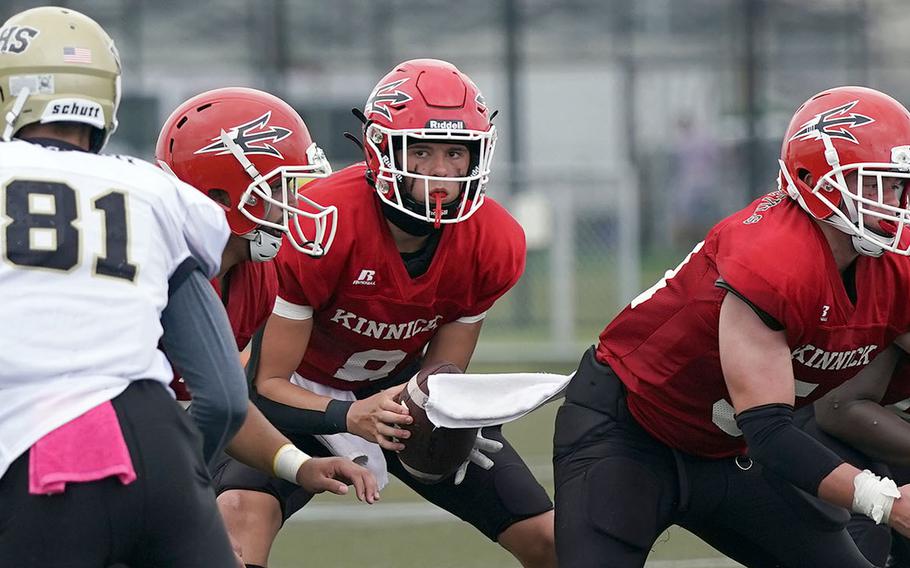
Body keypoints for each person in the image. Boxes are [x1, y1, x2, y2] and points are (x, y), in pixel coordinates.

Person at [213, 59, 556, 568]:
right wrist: (348, 415)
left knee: (553, 541)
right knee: (238, 521)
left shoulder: (493, 241)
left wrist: (441, 414)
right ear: (382, 149)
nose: (440, 172)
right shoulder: (324, 220)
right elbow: (265, 384)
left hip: (400, 397)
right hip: (300, 390)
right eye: (421, 151)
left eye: (455, 153)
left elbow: (443, 375)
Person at [552, 85, 910, 567]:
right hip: (629, 429)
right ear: (815, 178)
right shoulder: (773, 258)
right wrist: (886, 503)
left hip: (729, 449)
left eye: (897, 185)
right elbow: (770, 431)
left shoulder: (895, 263)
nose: (890, 202)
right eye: (873, 184)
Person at [0, 7, 246, 567]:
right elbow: (226, 400)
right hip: (161, 450)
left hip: (43, 458)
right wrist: (184, 479)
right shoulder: (152, 190)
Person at [155, 87, 380, 512]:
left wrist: (299, 465)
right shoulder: (156, 269)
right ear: (220, 195)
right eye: (280, 189)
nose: (297, 204)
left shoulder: (254, 275)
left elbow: (223, 403)